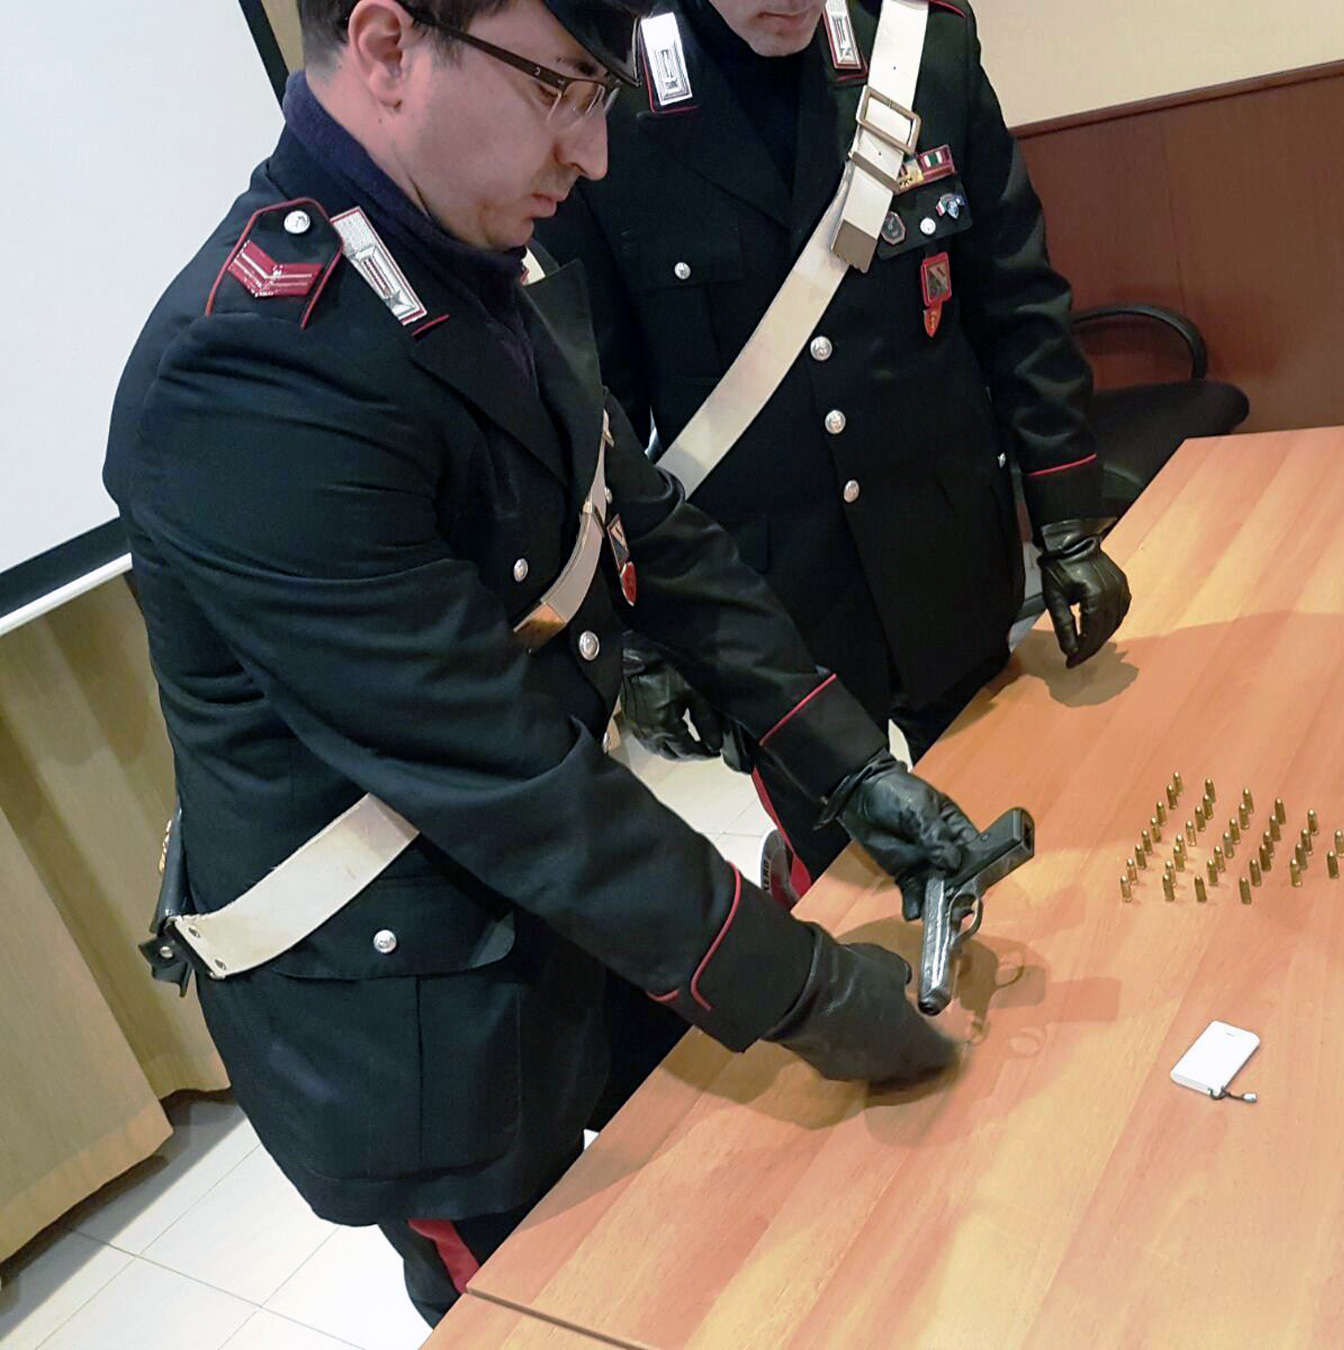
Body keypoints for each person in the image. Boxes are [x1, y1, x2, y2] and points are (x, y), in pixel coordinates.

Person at [105, 0, 987, 1326]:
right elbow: (491, 762)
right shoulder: (245, 375)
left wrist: (853, 765)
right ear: (388, 46)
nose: (596, 152)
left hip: (581, 915)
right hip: (421, 1022)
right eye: (563, 87)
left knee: (744, 1271)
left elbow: (643, 525)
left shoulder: (456, 245)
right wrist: (796, 986)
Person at [534, 0, 1130, 904]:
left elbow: (1018, 301)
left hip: (948, 554)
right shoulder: (605, 98)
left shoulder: (920, 47)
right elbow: (596, 418)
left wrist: (1068, 514)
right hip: (768, 613)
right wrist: (645, 646)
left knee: (1023, 844)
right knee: (847, 895)